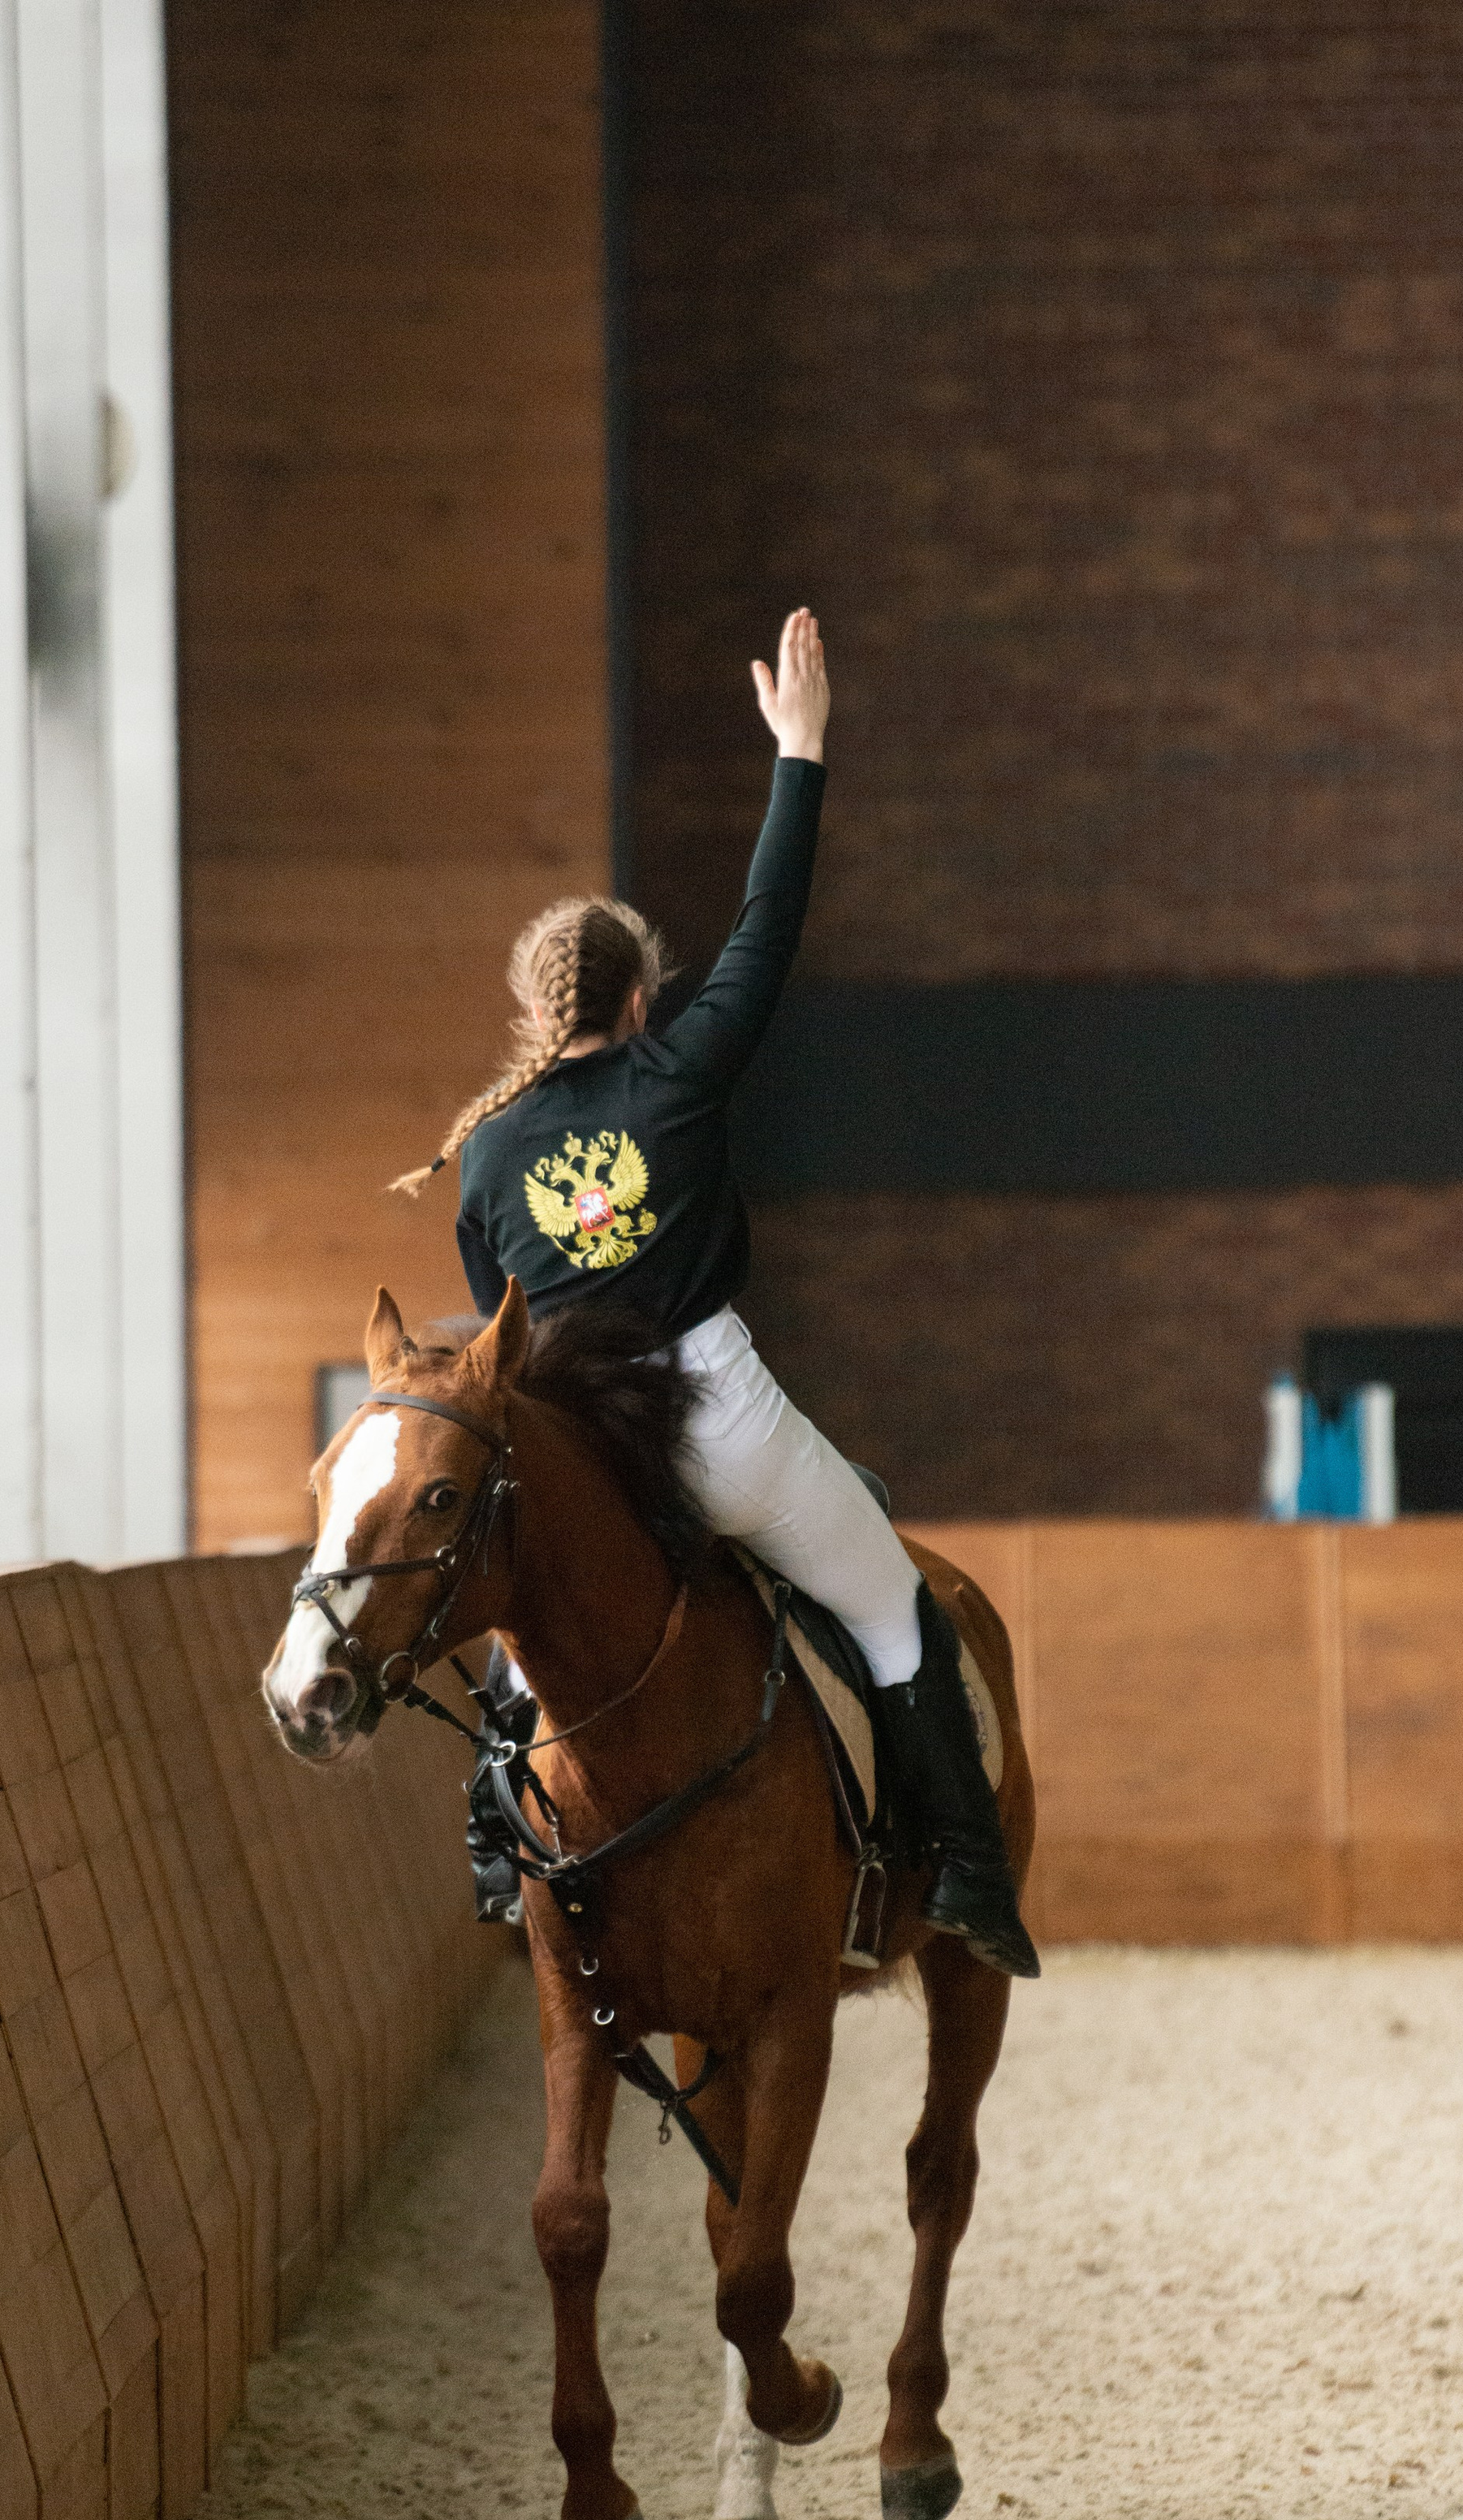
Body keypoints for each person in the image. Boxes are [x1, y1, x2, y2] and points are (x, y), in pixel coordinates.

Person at [390, 609, 1035, 1976]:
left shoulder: (487, 1154)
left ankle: (498, 1848)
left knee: (527, 1613)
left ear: (533, 1012)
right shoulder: (677, 1076)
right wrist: (799, 751)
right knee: (890, 1608)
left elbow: (503, 1338)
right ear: (641, 1002)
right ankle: (968, 1873)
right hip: (720, 1421)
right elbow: (770, 925)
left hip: (587, 1444)